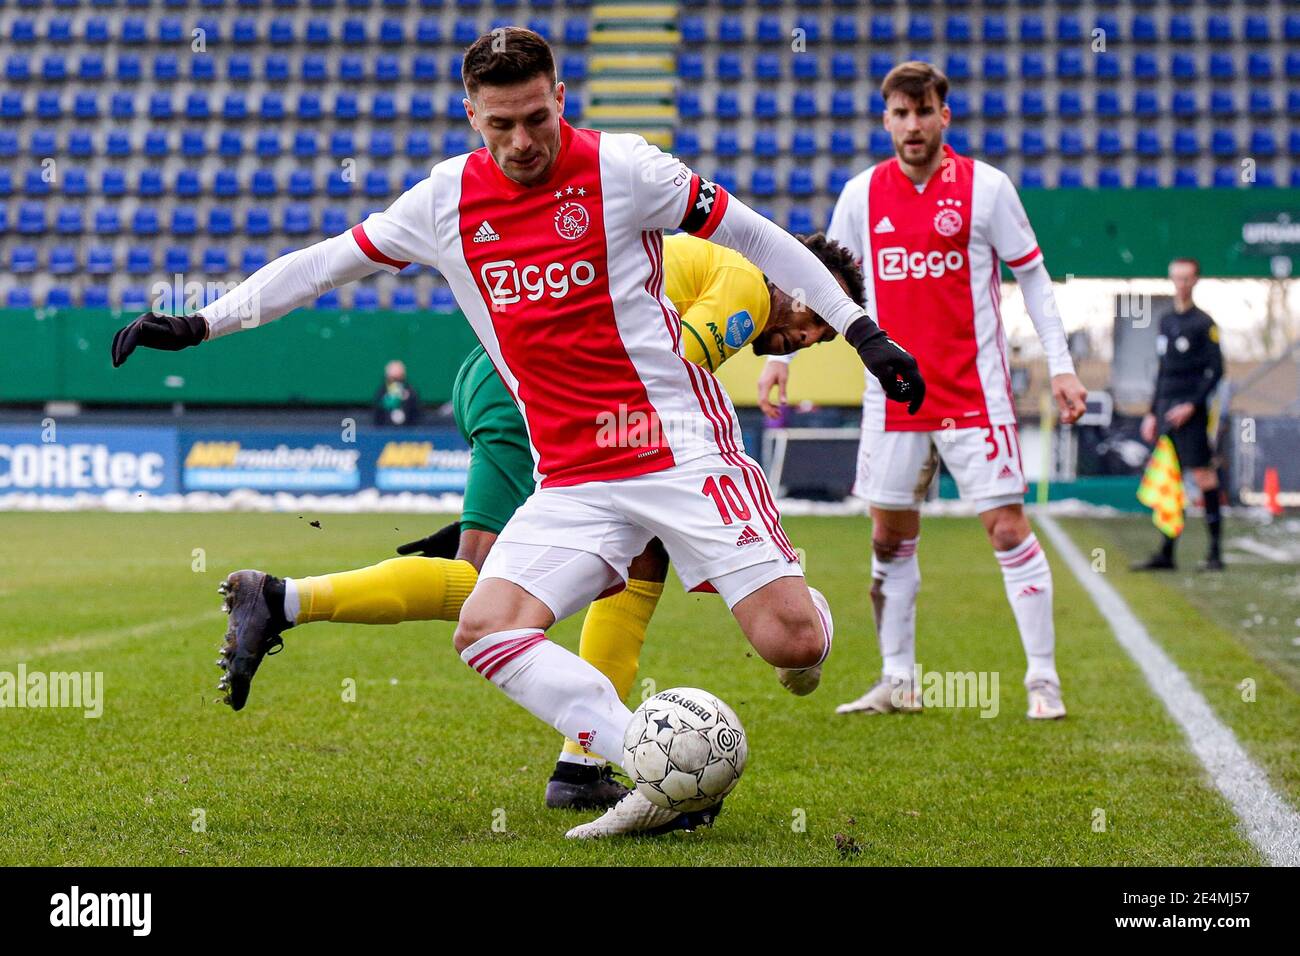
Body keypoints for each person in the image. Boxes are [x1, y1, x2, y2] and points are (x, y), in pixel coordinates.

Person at [110, 28, 923, 838]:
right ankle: (649, 760)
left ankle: (799, 614)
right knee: (485, 627)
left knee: (791, 644)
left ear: (560, 98)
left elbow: (756, 234)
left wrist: (861, 331)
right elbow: (324, 264)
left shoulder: (624, 169)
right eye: (501, 125)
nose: (523, 141)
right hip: (572, 474)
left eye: (536, 118)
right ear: (471, 115)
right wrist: (200, 324)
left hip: (678, 447)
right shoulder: (442, 202)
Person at [201, 231, 861, 815]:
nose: (806, 342)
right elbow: (668, 376)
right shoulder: (741, 285)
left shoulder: (707, 265)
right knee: (493, 581)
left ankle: (580, 767)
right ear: (807, 292)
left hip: (506, 378)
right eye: (817, 328)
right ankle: (283, 600)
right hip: (545, 394)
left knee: (628, 558)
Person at [758, 61, 1087, 720]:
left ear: (945, 116)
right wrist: (783, 360)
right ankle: (898, 681)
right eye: (900, 115)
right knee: (887, 539)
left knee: (1005, 528)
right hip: (893, 399)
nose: (913, 125)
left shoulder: (988, 191)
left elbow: (1036, 280)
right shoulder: (861, 195)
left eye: (923, 112)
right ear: (886, 121)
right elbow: (819, 281)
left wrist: (1061, 363)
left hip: (974, 394)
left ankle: (1043, 680)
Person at [1131, 257, 1225, 572]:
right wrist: (1151, 412)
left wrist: (1192, 405)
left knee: (1202, 475)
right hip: (1164, 410)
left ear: (1195, 281)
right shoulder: (1166, 321)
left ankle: (1215, 553)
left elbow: (1216, 371)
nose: (1181, 284)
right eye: (1176, 278)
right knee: (1168, 478)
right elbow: (1161, 372)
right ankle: (1166, 553)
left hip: (1191, 412)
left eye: (1187, 279)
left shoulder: (1204, 324)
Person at [373, 359, 422, 427]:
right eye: (392, 378)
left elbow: (416, 415)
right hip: (385, 431)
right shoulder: (381, 392)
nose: (395, 382)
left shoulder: (411, 392)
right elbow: (377, 416)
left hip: (408, 432)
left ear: (403, 376)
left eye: (398, 378)